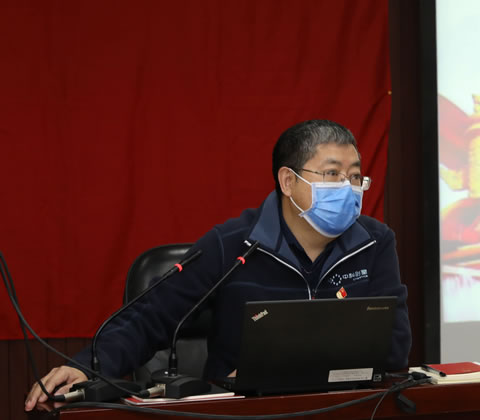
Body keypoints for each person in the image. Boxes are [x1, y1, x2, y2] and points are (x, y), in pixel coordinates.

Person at [25, 120, 411, 411]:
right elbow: (150, 318)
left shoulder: (375, 242)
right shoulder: (232, 246)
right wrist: (86, 369)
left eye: (355, 176)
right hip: (244, 412)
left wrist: (288, 369)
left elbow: (393, 348)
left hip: (344, 408)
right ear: (288, 181)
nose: (347, 187)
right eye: (332, 174)